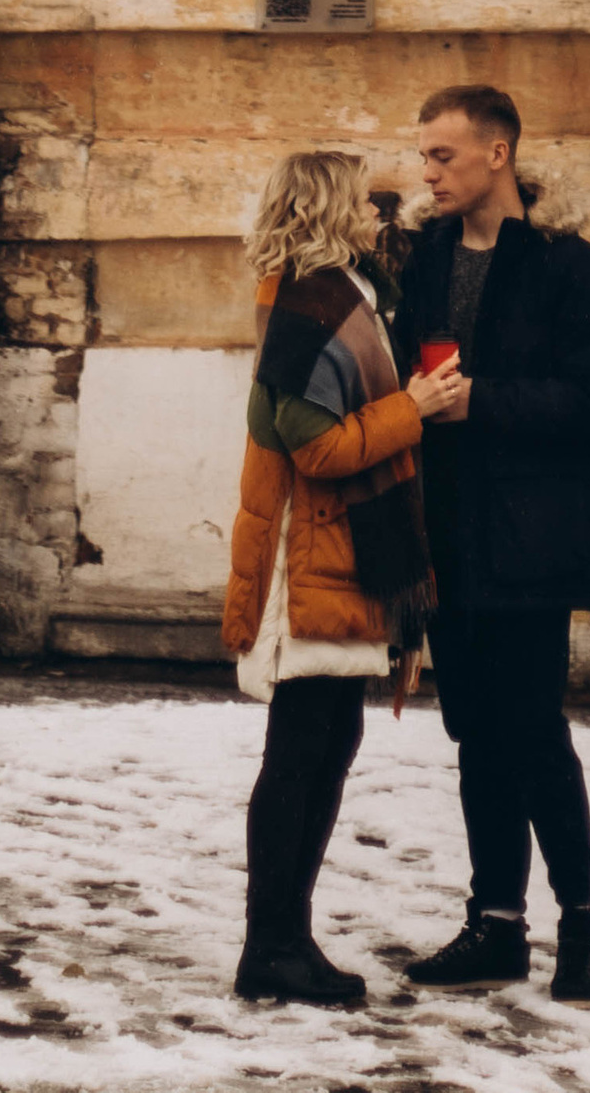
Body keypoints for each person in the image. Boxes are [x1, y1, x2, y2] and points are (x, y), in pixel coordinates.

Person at [392, 81, 590, 1005]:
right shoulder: (424, 256)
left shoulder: (569, 265)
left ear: (499, 155)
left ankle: (581, 922)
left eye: (443, 155)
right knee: (475, 734)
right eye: (424, 156)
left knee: (533, 732)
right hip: (445, 537)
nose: (428, 172)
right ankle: (495, 924)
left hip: (530, 542)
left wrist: (480, 401)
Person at [222, 146, 435, 1008]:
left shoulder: (335, 294)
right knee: (303, 751)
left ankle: (285, 938)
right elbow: (319, 447)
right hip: (309, 555)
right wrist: (412, 408)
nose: (376, 213)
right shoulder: (312, 304)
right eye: (362, 200)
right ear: (326, 209)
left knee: (323, 746)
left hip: (330, 551)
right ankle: (270, 945)